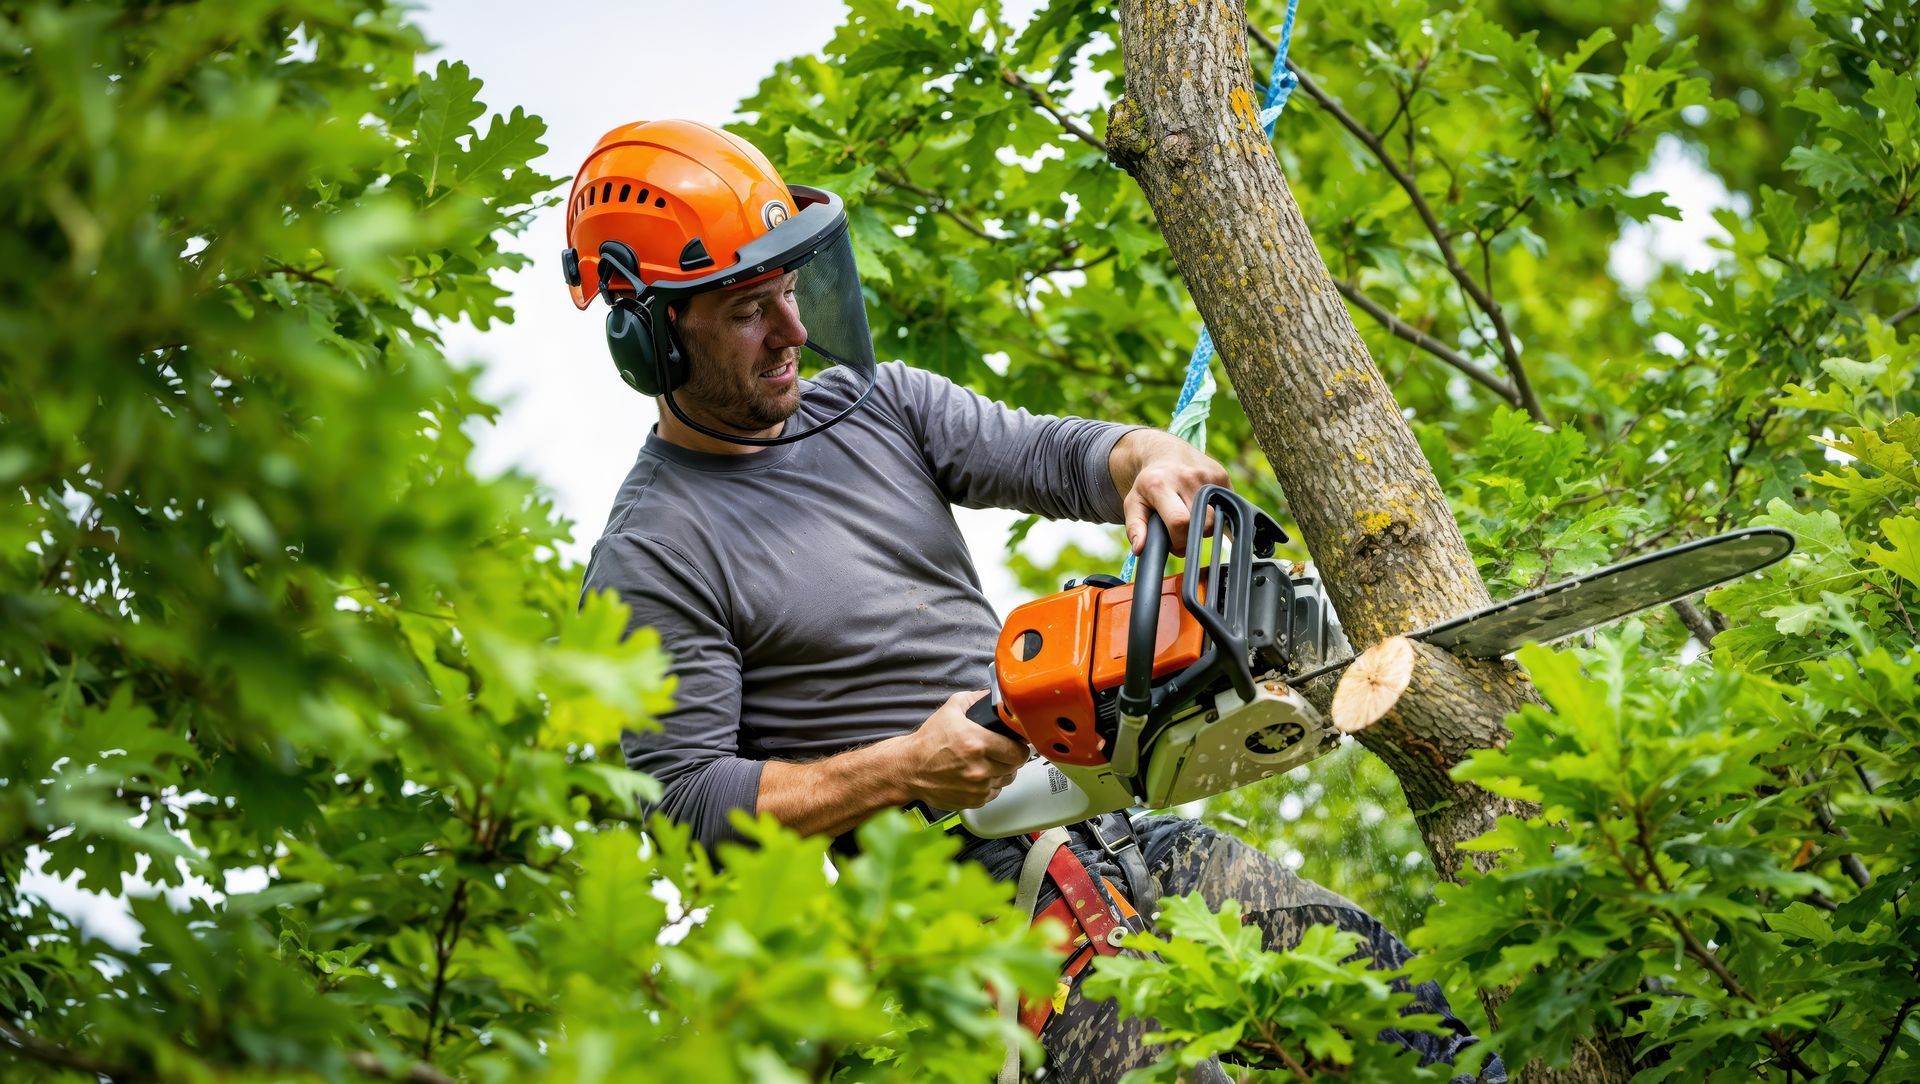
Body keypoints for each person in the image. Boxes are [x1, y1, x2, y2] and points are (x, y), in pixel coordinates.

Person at [565, 119, 1502, 1084]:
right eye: (750, 311)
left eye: (790, 293)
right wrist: (909, 765)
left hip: (1111, 831)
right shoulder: (656, 552)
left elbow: (1057, 456)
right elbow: (688, 809)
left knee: (1392, 1006)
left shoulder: (874, 404)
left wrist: (1142, 457)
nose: (794, 333)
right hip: (969, 920)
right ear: (654, 334)